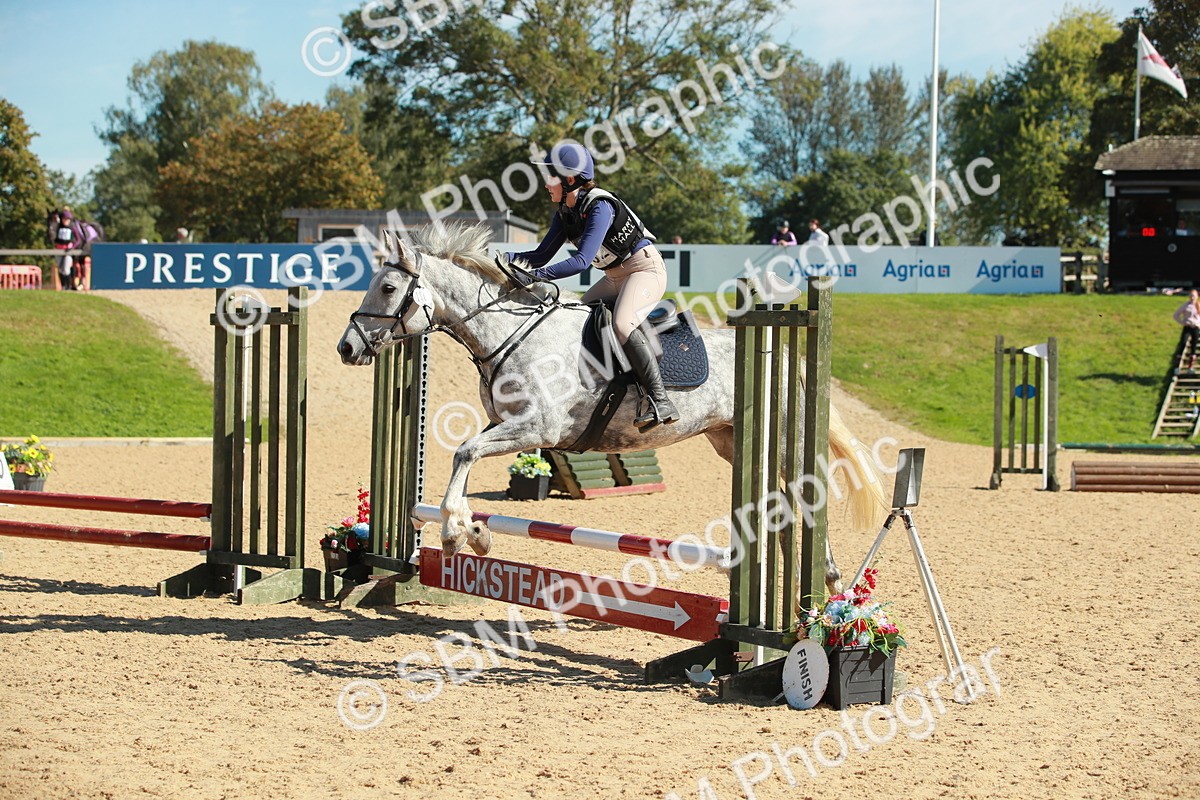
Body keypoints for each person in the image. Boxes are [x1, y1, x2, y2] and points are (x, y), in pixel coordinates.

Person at [506, 142, 679, 428]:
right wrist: (505, 259)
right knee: (576, 319)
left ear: (570, 179)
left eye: (551, 177)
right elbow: (540, 255)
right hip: (614, 277)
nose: (546, 184)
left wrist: (534, 277)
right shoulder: (565, 213)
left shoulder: (600, 206)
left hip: (645, 270)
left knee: (622, 325)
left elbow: (581, 262)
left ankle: (660, 399)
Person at [1173, 288, 1200, 371]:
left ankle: (1190, 367)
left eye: (1194, 296)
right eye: (1191, 296)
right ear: (1189, 296)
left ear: (1197, 297)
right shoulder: (1186, 305)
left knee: (1193, 347)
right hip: (1187, 327)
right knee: (1183, 343)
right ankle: (1177, 367)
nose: (1192, 298)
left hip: (1195, 327)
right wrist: (1182, 322)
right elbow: (1176, 315)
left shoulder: (1198, 305)